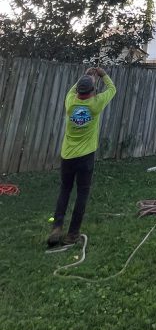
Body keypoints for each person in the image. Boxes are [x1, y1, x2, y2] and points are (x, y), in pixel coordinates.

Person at [47, 66, 116, 247]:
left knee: (65, 190)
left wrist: (86, 76)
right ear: (93, 92)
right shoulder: (96, 105)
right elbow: (112, 89)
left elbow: (72, 89)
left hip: (67, 156)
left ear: (78, 91)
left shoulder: (70, 103)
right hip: (85, 157)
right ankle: (72, 234)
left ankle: (56, 228)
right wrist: (101, 75)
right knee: (82, 193)